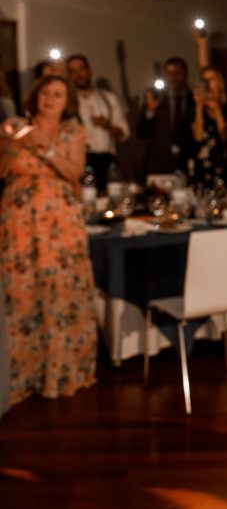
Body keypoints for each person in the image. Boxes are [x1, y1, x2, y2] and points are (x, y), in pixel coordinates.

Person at [0, 75, 96, 406]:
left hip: (61, 226)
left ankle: (62, 371)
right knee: (22, 292)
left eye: (57, 94)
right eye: (45, 92)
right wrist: (20, 145)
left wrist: (45, 145)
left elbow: (73, 172)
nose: (50, 99)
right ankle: (20, 376)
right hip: (21, 224)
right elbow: (5, 166)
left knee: (60, 293)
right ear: (35, 96)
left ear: (66, 100)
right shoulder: (13, 126)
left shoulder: (72, 131)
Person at [66, 53, 129, 191]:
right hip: (80, 160)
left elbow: (124, 134)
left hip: (107, 158)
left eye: (81, 69)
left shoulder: (108, 98)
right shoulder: (67, 100)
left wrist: (106, 125)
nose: (78, 74)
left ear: (90, 70)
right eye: (73, 71)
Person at [136, 56, 195, 176]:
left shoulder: (194, 100)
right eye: (169, 73)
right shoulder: (157, 99)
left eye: (177, 73)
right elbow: (141, 132)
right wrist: (150, 111)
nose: (173, 77)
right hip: (159, 164)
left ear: (185, 74)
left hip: (187, 163)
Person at [191, 66, 227, 189]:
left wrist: (217, 111)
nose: (208, 84)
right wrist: (199, 107)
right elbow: (198, 137)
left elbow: (224, 136)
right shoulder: (195, 107)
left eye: (211, 79)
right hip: (203, 164)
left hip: (224, 162)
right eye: (204, 80)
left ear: (219, 82)